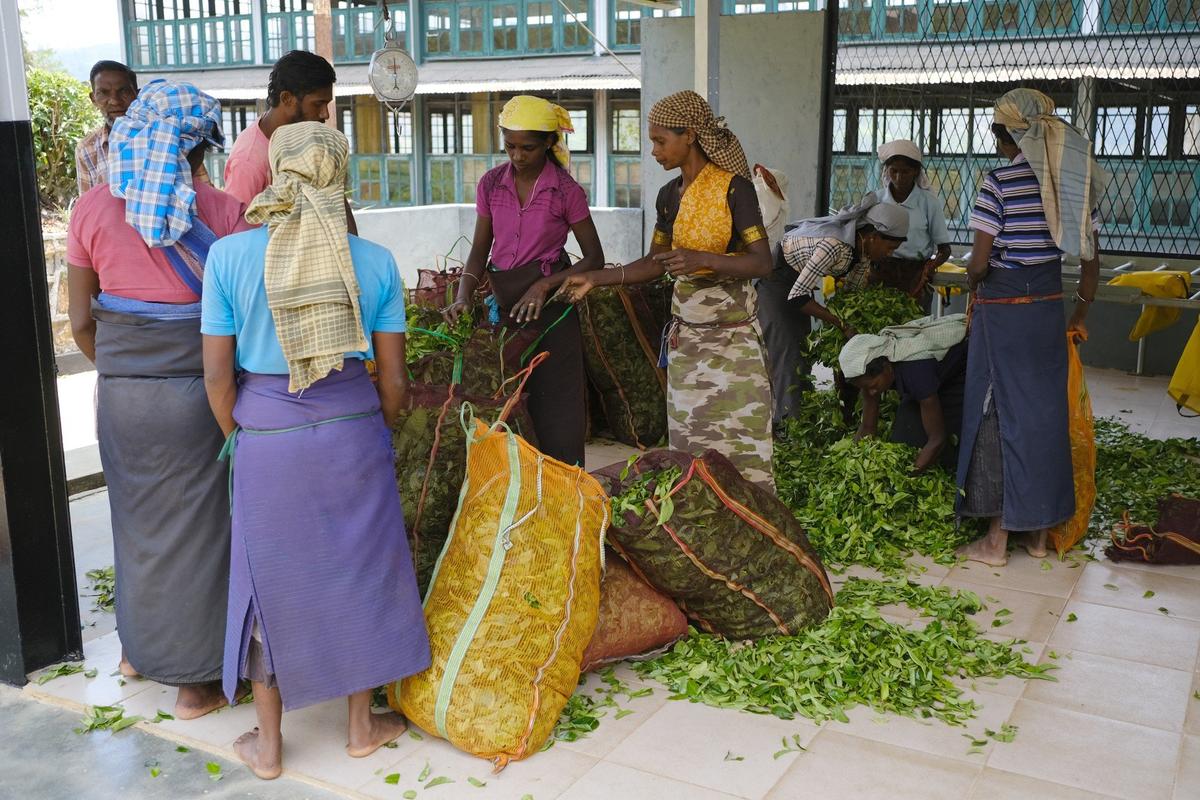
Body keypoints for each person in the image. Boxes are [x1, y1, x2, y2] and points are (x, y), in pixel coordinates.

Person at [201, 122, 431, 780]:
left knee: (270, 583)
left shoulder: (230, 258)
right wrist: (373, 426)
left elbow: (218, 379)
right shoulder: (375, 261)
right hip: (353, 427)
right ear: (340, 174)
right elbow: (394, 380)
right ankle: (361, 728)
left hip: (267, 439)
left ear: (277, 170)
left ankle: (269, 746)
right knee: (361, 570)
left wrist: (243, 439)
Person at [66, 79, 253, 718]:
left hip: (121, 398)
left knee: (138, 525)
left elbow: (83, 324)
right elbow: (240, 325)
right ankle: (197, 681)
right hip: (200, 395)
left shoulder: (91, 209)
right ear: (200, 148)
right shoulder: (223, 214)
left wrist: (129, 374)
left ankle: (136, 652)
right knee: (202, 531)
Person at [559, 90, 774, 486]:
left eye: (661, 141)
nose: (655, 151)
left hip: (733, 342)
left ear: (689, 135)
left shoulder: (734, 190)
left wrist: (704, 260)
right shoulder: (668, 198)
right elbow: (653, 265)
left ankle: (755, 522)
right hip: (688, 343)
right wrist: (597, 277)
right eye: (652, 141)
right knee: (691, 451)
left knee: (744, 449)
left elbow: (762, 262)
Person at [955, 88, 1104, 566]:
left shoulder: (998, 183)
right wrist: (1080, 311)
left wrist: (973, 280)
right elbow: (1090, 259)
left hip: (1006, 312)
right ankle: (1038, 537)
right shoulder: (1072, 183)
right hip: (1046, 311)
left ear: (1005, 135)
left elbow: (978, 262)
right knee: (1042, 418)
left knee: (997, 413)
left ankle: (995, 541)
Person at [443, 95, 603, 466]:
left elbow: (595, 258)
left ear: (549, 143)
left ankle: (562, 492)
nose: (517, 155)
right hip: (506, 307)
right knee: (505, 404)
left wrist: (544, 285)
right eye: (510, 146)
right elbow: (479, 251)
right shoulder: (491, 184)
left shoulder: (566, 191)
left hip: (552, 313)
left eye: (527, 147)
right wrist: (463, 295)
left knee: (556, 408)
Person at [221, 49, 355, 232]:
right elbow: (237, 236)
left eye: (327, 104)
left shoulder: (308, 141)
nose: (325, 114)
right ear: (287, 98)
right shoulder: (249, 161)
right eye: (318, 104)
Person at [840, 313, 968, 472]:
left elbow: (937, 439)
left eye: (873, 386)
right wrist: (852, 462)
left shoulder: (916, 372)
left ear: (887, 367)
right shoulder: (869, 374)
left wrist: (907, 476)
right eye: (865, 389)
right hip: (928, 381)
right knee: (904, 438)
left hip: (960, 374)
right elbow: (867, 427)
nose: (871, 392)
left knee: (944, 443)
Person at [753, 165, 813, 427]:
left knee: (793, 352)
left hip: (784, 281)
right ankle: (787, 422)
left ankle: (793, 419)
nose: (764, 187)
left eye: (768, 182)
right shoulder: (761, 211)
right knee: (785, 354)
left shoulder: (776, 212)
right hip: (769, 286)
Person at [871, 140, 953, 311]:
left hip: (916, 276)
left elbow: (945, 249)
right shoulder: (877, 200)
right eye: (894, 171)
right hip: (880, 274)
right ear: (887, 171)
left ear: (916, 172)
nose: (899, 177)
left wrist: (928, 269)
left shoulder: (929, 203)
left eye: (905, 172)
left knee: (914, 328)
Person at [75, 61, 137, 195]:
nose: (115, 101)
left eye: (123, 91)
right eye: (103, 93)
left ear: (137, 94)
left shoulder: (160, 137)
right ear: (93, 99)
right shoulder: (87, 149)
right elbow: (90, 205)